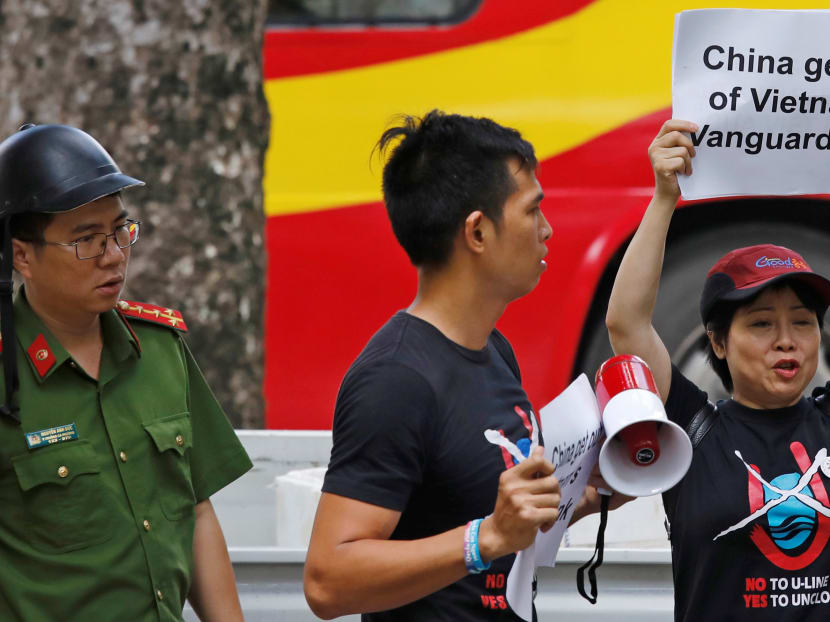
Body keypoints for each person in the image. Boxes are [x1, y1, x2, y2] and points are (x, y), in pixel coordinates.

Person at [304, 110, 624, 620]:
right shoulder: (396, 379)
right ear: (477, 232)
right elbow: (327, 581)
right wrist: (488, 536)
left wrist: (589, 490)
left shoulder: (494, 349)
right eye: (531, 211)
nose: (548, 230)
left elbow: (494, 522)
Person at [0, 123, 253, 622]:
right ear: (21, 255)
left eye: (121, 230)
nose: (114, 255)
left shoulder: (159, 349)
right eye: (86, 240)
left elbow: (197, 509)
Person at [606, 119, 830, 621]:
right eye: (762, 323)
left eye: (803, 321)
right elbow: (625, 322)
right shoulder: (691, 429)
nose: (787, 339)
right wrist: (664, 197)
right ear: (718, 341)